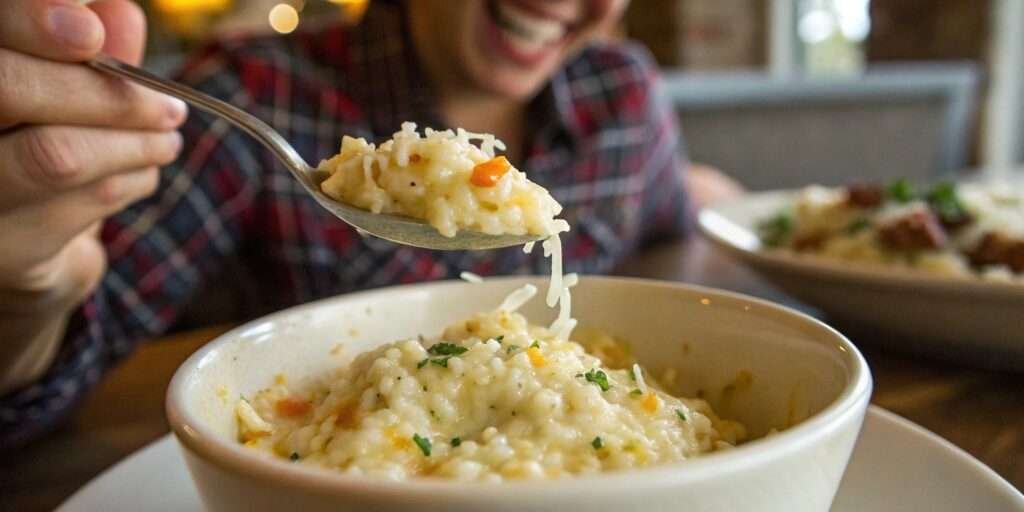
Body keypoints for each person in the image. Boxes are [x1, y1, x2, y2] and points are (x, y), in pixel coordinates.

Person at [0, 0, 740, 449]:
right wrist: (27, 292)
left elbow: (677, 213)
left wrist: (727, 203)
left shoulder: (624, 94)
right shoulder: (249, 99)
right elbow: (62, 359)